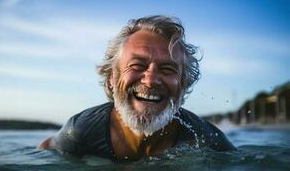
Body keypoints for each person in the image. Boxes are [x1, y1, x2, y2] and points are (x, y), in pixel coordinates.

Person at [38, 15, 235, 161]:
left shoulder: (208, 141)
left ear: (183, 84)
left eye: (167, 69)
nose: (150, 81)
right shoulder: (81, 132)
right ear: (112, 78)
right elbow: (46, 147)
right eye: (137, 66)